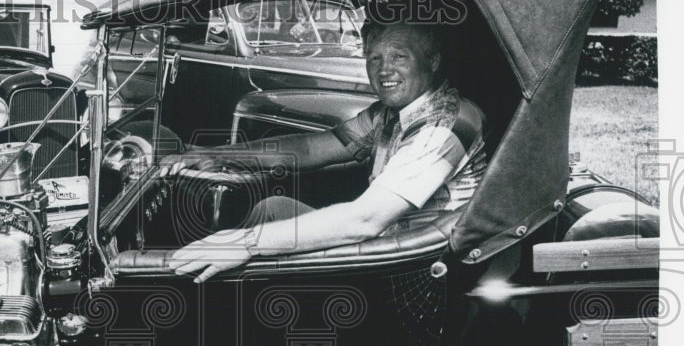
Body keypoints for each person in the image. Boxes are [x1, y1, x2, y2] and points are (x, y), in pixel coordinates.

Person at [166, 18, 488, 282]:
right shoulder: (391, 113)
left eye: (399, 57)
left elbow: (365, 219)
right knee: (273, 208)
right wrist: (218, 155)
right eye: (374, 58)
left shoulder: (445, 122)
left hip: (407, 269)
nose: (384, 70)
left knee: (249, 248)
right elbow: (311, 148)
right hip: (385, 244)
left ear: (432, 60)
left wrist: (245, 244)